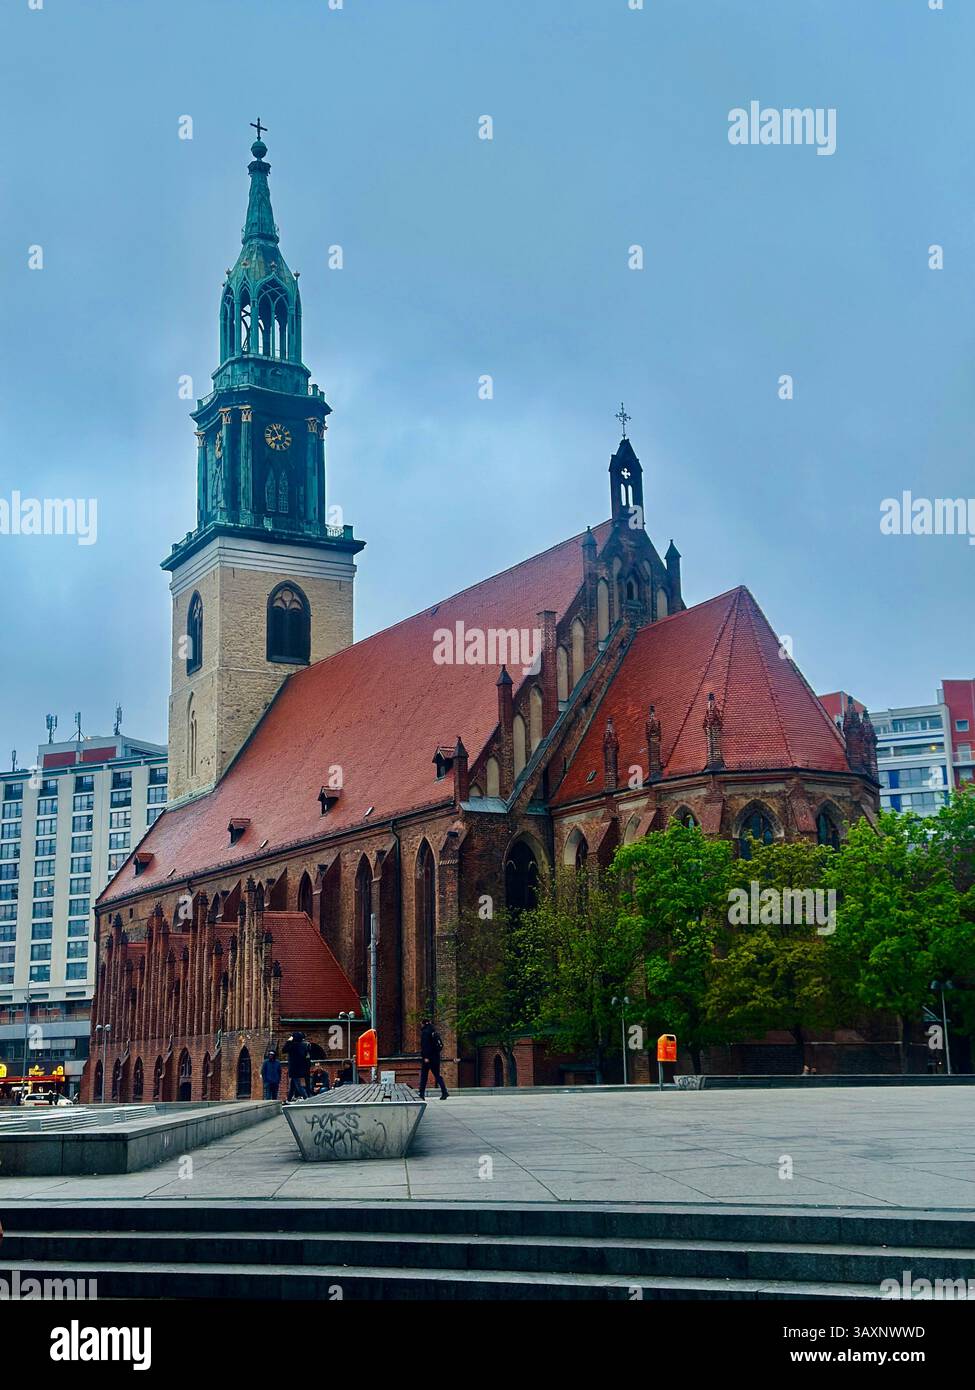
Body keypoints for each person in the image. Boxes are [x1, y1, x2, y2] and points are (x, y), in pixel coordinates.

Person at [418, 1018, 449, 1100]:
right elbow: (440, 1045)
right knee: (437, 1075)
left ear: (423, 1024)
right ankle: (444, 1092)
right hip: (436, 1057)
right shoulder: (434, 1032)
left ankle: (421, 1094)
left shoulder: (425, 1033)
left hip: (428, 1058)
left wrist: (426, 1057)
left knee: (424, 1076)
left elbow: (425, 1046)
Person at [284, 1032, 311, 1101]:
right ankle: (288, 1099)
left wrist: (289, 1040)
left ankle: (306, 1099)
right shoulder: (304, 1045)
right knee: (292, 1086)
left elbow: (284, 1050)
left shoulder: (292, 1045)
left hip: (294, 1068)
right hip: (301, 1068)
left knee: (298, 1086)